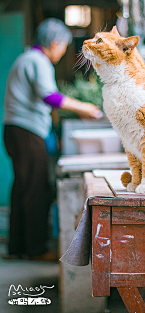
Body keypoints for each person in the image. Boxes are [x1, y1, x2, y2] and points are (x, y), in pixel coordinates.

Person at [3, 18, 102, 260]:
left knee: (23, 187)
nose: (62, 52)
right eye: (63, 47)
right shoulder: (38, 61)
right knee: (36, 189)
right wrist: (84, 108)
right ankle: (36, 249)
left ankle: (18, 246)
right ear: (55, 43)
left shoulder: (26, 58)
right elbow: (50, 97)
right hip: (27, 131)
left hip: (15, 130)